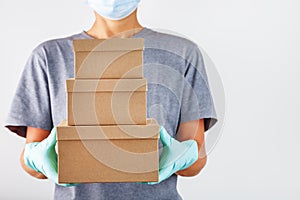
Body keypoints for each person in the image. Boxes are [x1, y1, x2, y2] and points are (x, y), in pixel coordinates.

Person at [5, 0, 218, 199]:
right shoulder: (49, 56)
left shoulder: (181, 53)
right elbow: (31, 161)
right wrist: (37, 158)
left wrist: (184, 155)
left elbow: (196, 161)